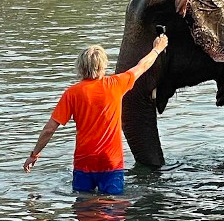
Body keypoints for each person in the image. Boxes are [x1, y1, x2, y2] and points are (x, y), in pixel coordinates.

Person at [23, 33, 168, 194]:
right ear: (103, 66)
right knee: (113, 210)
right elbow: (142, 66)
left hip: (84, 163)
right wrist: (157, 48)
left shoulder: (72, 94)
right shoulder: (116, 85)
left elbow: (50, 128)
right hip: (110, 163)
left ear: (80, 66)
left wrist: (34, 155)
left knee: (83, 208)